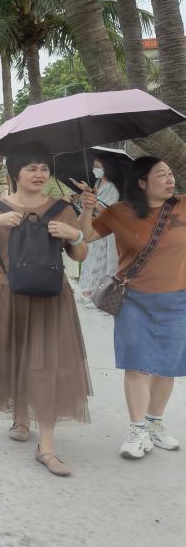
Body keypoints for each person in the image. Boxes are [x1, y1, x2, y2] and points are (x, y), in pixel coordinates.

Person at [0, 149, 92, 477]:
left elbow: (79, 254)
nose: (39, 175)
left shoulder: (62, 209)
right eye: (32, 168)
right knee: (15, 355)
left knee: (46, 365)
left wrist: (75, 233)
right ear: (16, 173)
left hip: (51, 297)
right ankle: (20, 416)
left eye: (44, 169)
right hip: (7, 293)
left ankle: (46, 447)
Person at [77, 156, 186, 460]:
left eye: (170, 173)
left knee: (167, 367)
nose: (170, 179)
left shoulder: (183, 205)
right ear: (141, 182)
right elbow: (86, 236)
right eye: (161, 175)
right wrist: (86, 209)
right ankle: (137, 430)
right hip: (134, 299)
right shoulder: (119, 212)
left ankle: (154, 423)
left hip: (177, 300)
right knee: (137, 364)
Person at [77, 155, 121, 302]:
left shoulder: (112, 187)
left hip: (105, 229)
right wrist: (87, 193)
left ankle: (99, 294)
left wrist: (93, 200)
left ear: (106, 168)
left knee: (101, 261)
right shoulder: (96, 183)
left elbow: (108, 211)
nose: (94, 169)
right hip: (93, 226)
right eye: (94, 166)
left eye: (97, 167)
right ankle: (88, 290)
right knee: (91, 258)